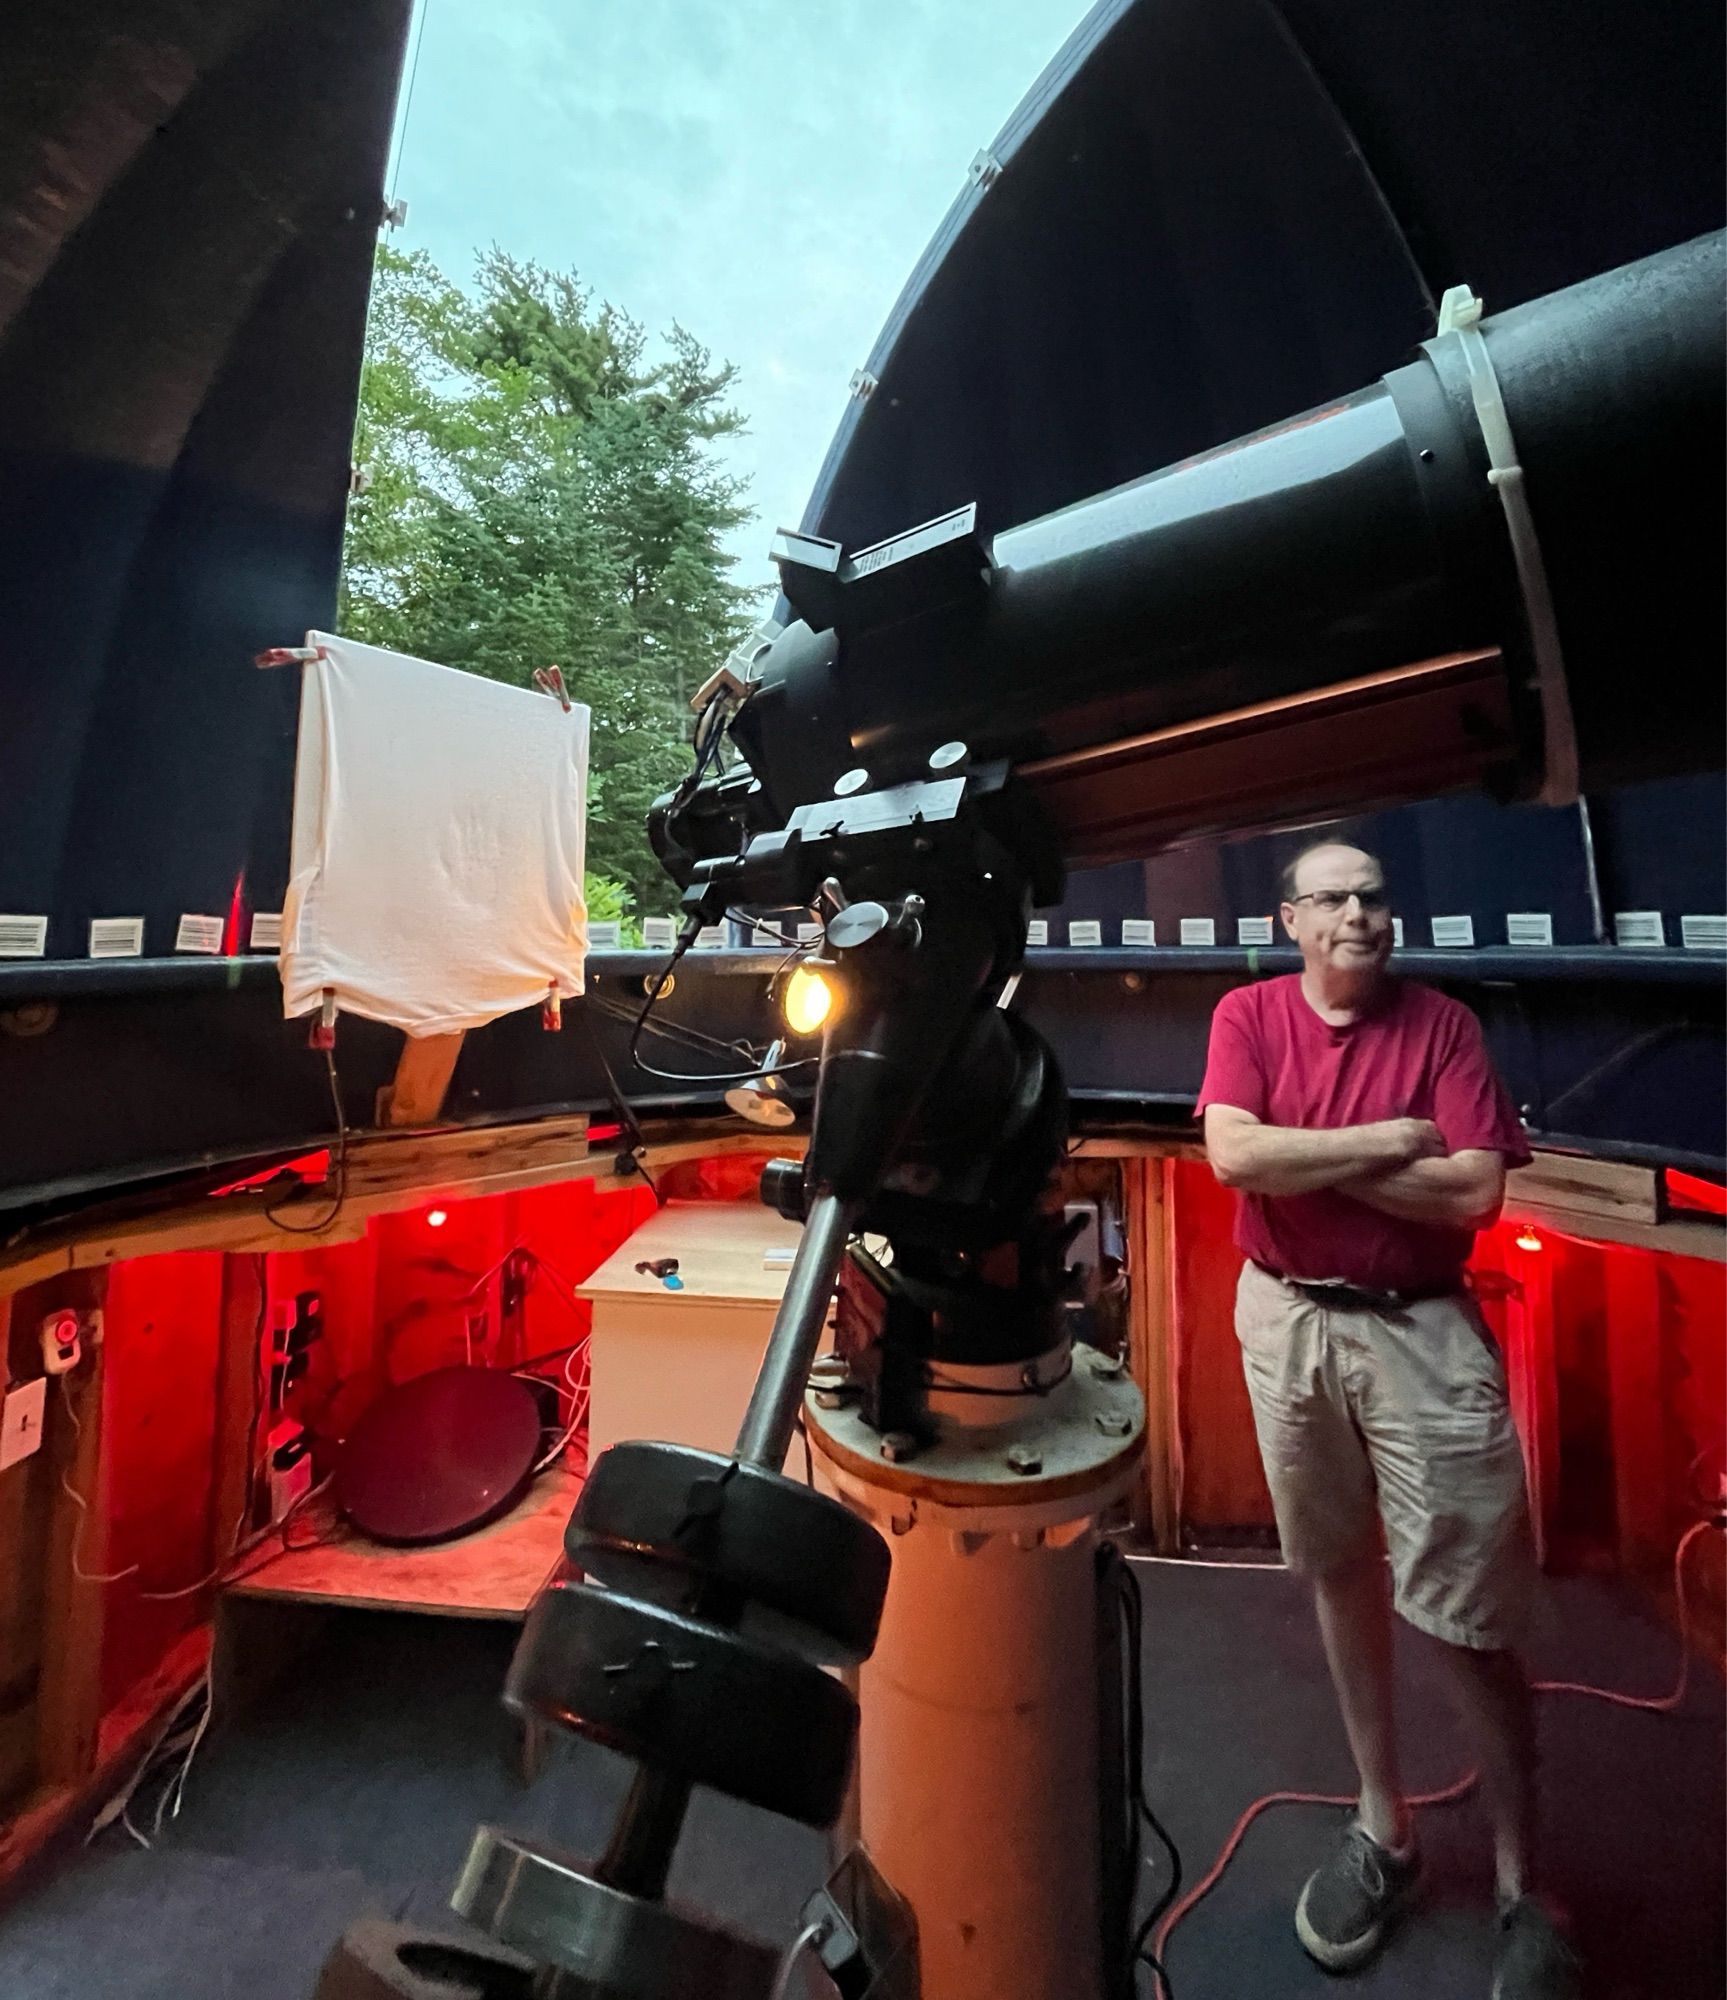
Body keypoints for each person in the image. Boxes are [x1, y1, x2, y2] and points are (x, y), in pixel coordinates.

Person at [1196, 839, 1581, 2000]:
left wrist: (1298, 1163)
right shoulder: (1247, 1014)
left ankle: (1523, 1884)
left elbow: (1471, 1190)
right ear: (1290, 918)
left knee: (1467, 1613)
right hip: (1284, 1320)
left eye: (1373, 896)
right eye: (1333, 898)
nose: (1360, 914)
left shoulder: (1443, 1027)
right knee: (1333, 1567)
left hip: (1420, 1328)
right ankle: (1384, 1825)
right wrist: (1386, 1139)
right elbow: (1227, 1153)